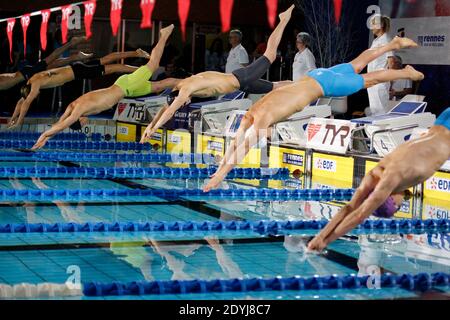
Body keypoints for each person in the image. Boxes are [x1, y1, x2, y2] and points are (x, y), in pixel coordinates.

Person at [203, 36, 423, 192]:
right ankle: (392, 44)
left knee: (370, 79)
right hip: (316, 75)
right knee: (358, 63)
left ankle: (405, 72)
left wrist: (221, 175)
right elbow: (236, 142)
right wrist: (221, 167)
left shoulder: (259, 118)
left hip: (325, 85)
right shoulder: (254, 111)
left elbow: (242, 145)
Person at [140, 5, 296, 143]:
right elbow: (166, 107)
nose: (185, 104)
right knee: (274, 86)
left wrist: (154, 130)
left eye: (182, 103)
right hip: (242, 84)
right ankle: (302, 84)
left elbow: (170, 110)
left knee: (270, 55)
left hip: (242, 78)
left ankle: (283, 19)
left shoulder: (186, 88)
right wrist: (151, 125)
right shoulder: (189, 83)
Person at [307, 107, 450, 251]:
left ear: (392, 200)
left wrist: (326, 240)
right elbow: (349, 207)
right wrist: (320, 236)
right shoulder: (375, 173)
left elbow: (359, 215)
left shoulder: (394, 177)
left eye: (399, 206)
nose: (404, 199)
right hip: (440, 123)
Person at [31, 25, 180, 150]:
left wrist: (44, 136)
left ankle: (164, 35)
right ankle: (186, 82)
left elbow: (62, 125)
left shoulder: (79, 110)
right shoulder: (74, 106)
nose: (85, 123)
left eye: (81, 124)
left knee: (152, 65)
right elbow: (61, 120)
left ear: (79, 120)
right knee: (158, 86)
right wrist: (48, 136)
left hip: (126, 86)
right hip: (126, 89)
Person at [7, 49, 151, 129]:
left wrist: (19, 123)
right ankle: (136, 54)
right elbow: (22, 101)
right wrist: (13, 119)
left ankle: (145, 70)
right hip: (77, 69)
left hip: (78, 72)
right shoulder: (30, 82)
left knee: (113, 68)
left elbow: (26, 103)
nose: (36, 94)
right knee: (106, 60)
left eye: (35, 94)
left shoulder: (35, 83)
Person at [0, 36, 89, 91]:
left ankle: (71, 44)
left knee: (50, 59)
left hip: (25, 74)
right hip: (24, 73)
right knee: (52, 64)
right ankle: (75, 56)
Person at [367, 15, 394, 115]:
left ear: (381, 25)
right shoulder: (375, 41)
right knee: (374, 110)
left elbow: (391, 61)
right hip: (372, 80)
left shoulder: (386, 39)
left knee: (381, 110)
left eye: (373, 24)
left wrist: (390, 82)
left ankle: (384, 129)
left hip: (380, 80)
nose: (371, 27)